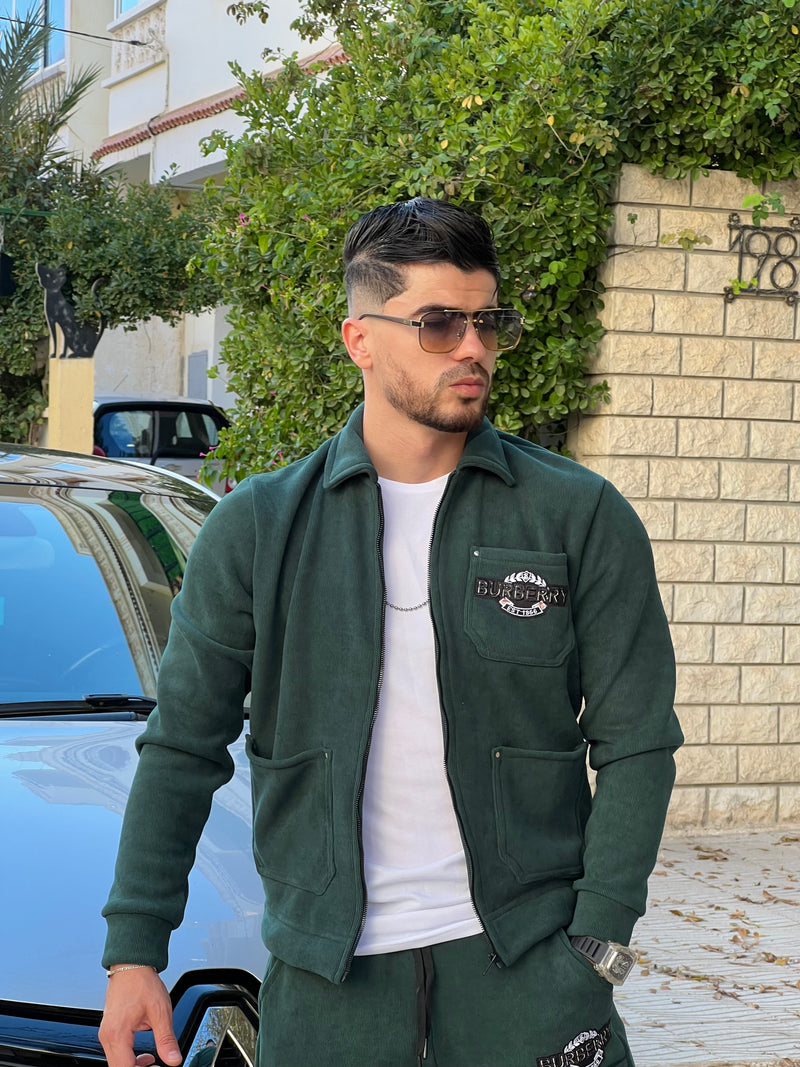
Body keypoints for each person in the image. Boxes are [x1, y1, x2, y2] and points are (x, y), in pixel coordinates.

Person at [99, 197, 683, 1067]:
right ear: (360, 340)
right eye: (439, 323)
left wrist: (598, 942)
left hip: (531, 978)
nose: (473, 347)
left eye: (487, 322)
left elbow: (638, 740)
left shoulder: (578, 516)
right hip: (328, 991)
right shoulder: (258, 528)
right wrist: (135, 949)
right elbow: (184, 743)